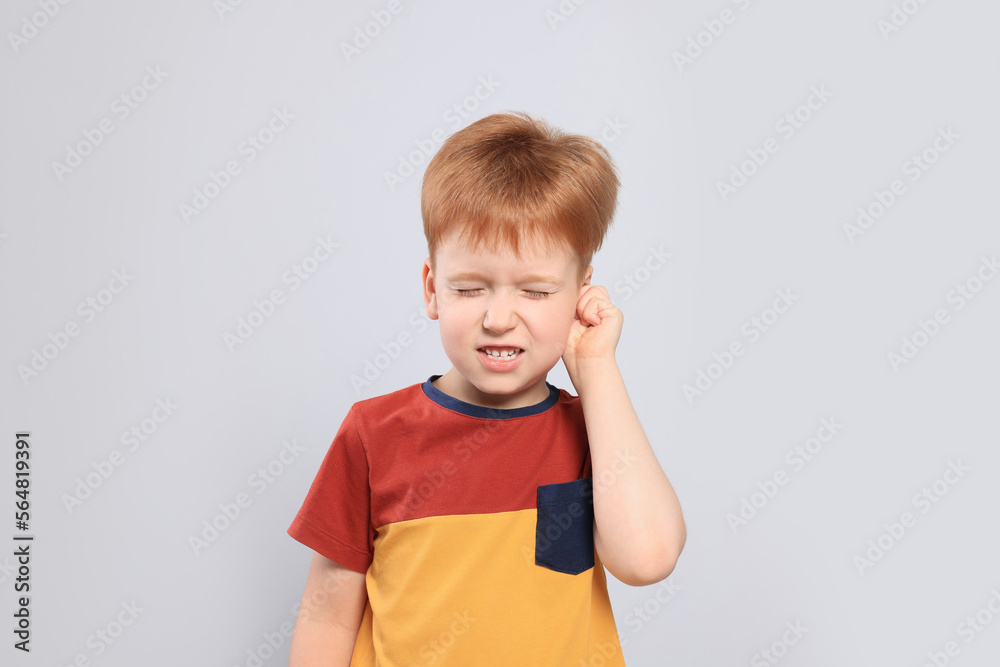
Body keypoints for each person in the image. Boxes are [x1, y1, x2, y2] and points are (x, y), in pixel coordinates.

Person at [286, 111, 686, 666]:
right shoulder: (373, 434)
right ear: (433, 289)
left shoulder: (596, 428)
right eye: (470, 287)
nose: (499, 318)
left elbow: (648, 558)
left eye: (536, 291)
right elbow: (327, 616)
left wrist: (596, 368)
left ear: (581, 292)